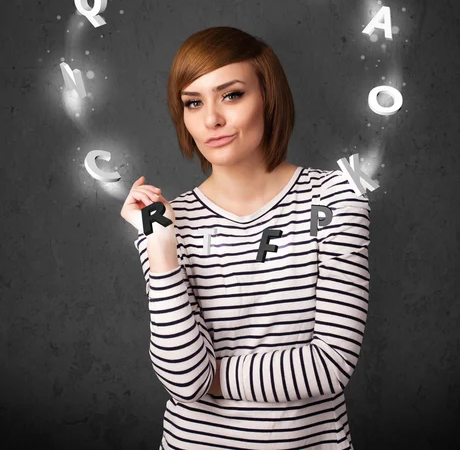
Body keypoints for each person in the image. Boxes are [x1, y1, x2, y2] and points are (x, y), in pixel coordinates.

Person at [120, 26, 371, 450]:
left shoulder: (336, 198)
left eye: (231, 95)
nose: (211, 119)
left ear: (268, 98)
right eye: (193, 103)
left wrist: (209, 377)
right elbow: (181, 378)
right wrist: (160, 246)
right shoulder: (165, 220)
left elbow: (330, 365)